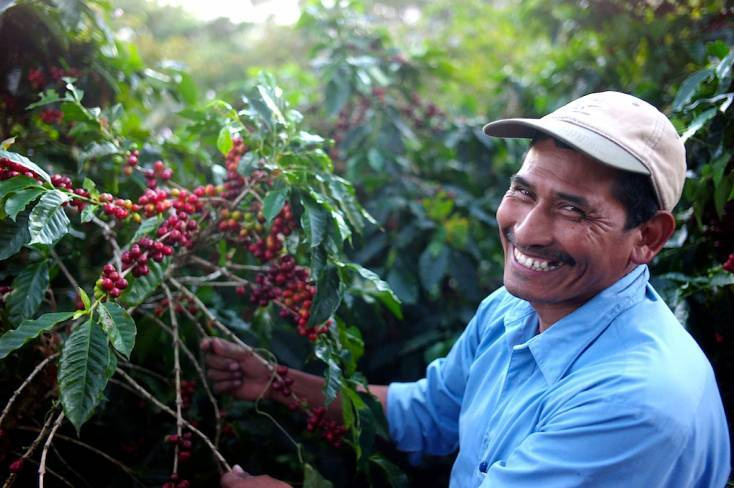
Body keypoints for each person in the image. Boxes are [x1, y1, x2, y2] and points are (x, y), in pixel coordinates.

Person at [202, 91, 731, 487]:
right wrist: (278, 383)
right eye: (523, 192)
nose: (526, 231)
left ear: (647, 238)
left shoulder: (637, 404)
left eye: (573, 208)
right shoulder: (511, 310)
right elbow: (429, 413)